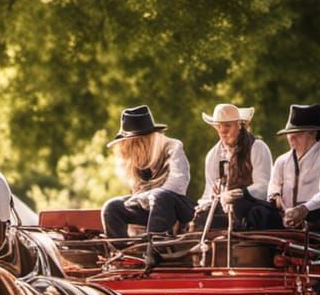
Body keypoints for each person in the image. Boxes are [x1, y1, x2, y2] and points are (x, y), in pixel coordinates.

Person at [101, 105, 195, 240]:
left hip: (173, 206)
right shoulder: (134, 159)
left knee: (159, 195)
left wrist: (144, 197)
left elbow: (177, 185)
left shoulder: (173, 147)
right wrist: (139, 199)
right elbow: (137, 190)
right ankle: (121, 252)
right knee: (111, 207)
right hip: (147, 207)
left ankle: (153, 249)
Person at [195, 102, 279, 231]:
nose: (222, 131)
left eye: (227, 125)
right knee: (201, 217)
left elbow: (263, 187)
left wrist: (237, 195)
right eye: (218, 126)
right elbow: (209, 191)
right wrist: (208, 203)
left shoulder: (257, 147)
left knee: (247, 209)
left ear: (239, 125)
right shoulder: (213, 155)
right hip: (223, 208)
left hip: (252, 206)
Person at [267, 104, 320, 228]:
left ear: (312, 133)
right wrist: (276, 196)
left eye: (298, 133)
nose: (291, 137)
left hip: (315, 220)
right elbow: (273, 186)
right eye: (289, 133)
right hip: (284, 219)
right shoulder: (282, 160)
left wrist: (303, 209)